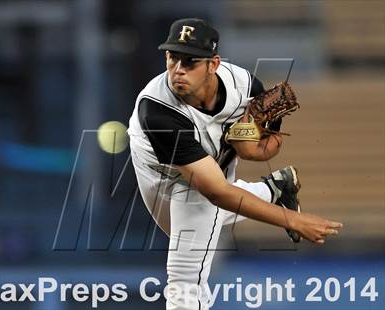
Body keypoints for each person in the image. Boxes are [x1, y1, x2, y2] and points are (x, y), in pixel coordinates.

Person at [128, 18, 342, 310]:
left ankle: (273, 189)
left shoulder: (245, 86)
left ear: (213, 64)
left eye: (190, 61)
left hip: (204, 176)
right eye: (172, 57)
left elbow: (258, 149)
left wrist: (258, 146)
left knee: (185, 279)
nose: (178, 69)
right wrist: (291, 220)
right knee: (199, 219)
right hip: (157, 171)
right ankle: (273, 190)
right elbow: (219, 193)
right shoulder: (158, 111)